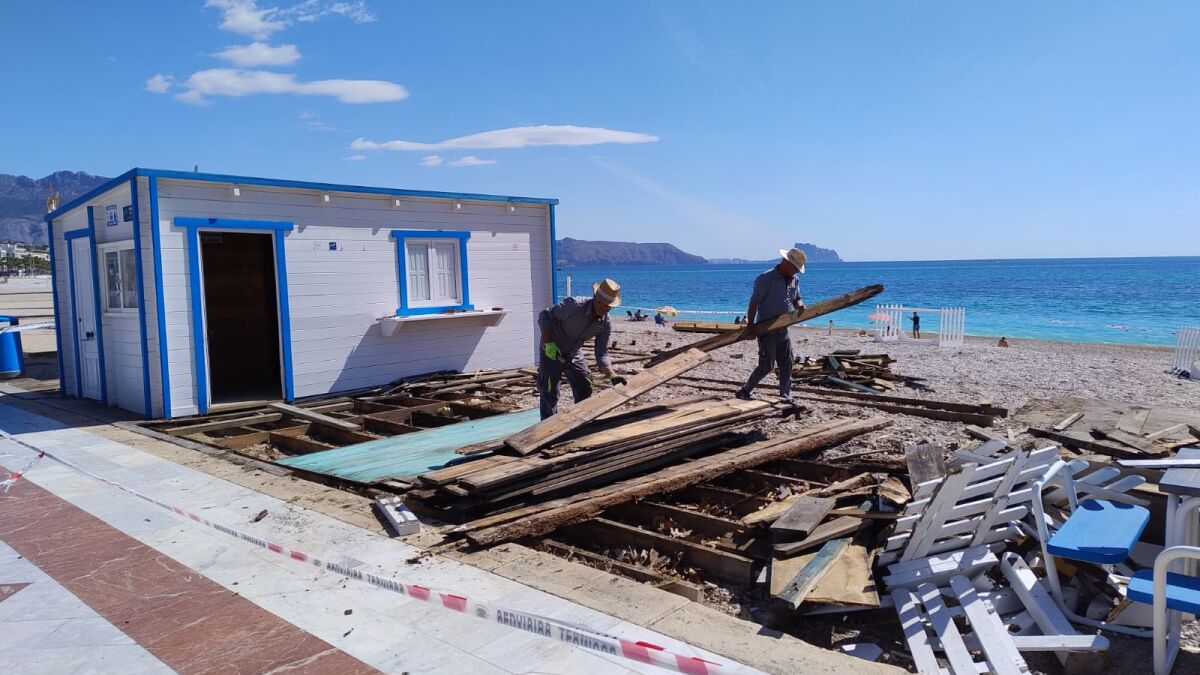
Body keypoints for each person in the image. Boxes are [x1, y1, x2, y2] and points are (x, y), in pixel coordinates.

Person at [536, 279, 628, 419]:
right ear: (595, 299)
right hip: (552, 350)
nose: (605, 309)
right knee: (549, 392)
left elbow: (601, 354)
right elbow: (545, 315)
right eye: (603, 305)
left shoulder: (605, 323)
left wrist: (612, 375)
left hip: (573, 353)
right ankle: (547, 427)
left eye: (609, 307)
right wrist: (549, 343)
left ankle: (579, 421)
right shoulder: (574, 306)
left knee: (585, 386)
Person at [736, 247, 806, 402]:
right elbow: (754, 303)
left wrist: (800, 305)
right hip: (766, 330)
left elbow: (797, 298)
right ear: (786, 263)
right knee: (766, 365)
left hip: (783, 329)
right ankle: (745, 390)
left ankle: (785, 395)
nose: (796, 272)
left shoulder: (794, 279)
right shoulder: (765, 279)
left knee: (787, 363)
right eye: (795, 268)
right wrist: (751, 327)